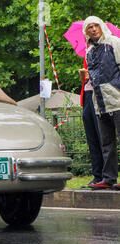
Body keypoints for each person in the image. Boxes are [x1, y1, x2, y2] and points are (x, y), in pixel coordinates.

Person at [83, 16, 120, 190]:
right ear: (86, 31)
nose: (93, 29)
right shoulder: (89, 51)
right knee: (107, 143)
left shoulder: (114, 42)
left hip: (117, 99)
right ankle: (109, 178)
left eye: (95, 25)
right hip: (100, 102)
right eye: (89, 27)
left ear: (101, 26)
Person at [78, 57, 104, 188]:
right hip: (88, 94)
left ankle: (107, 176)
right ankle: (97, 176)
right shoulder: (87, 53)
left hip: (101, 95)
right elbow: (86, 79)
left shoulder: (107, 49)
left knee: (102, 137)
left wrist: (92, 74)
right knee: (92, 138)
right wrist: (85, 75)